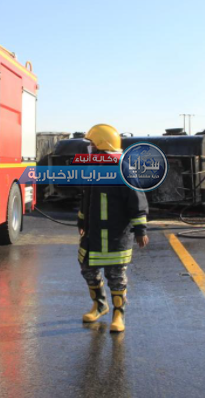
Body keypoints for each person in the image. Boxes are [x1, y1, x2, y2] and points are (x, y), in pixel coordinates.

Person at [77, 124, 149, 333]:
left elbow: (136, 199)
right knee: (87, 268)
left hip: (116, 234)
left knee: (116, 275)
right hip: (93, 233)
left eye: (92, 144)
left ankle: (119, 315)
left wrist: (140, 229)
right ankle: (100, 305)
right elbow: (86, 198)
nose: (89, 148)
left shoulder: (122, 168)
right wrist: (82, 221)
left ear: (102, 146)